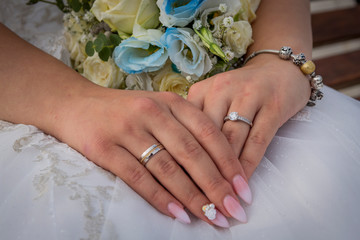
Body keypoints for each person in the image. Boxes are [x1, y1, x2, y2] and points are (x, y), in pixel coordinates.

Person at [1, 0, 360, 239]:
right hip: (28, 84)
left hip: (238, 71)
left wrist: (278, 58)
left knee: (324, 176)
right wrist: (73, 103)